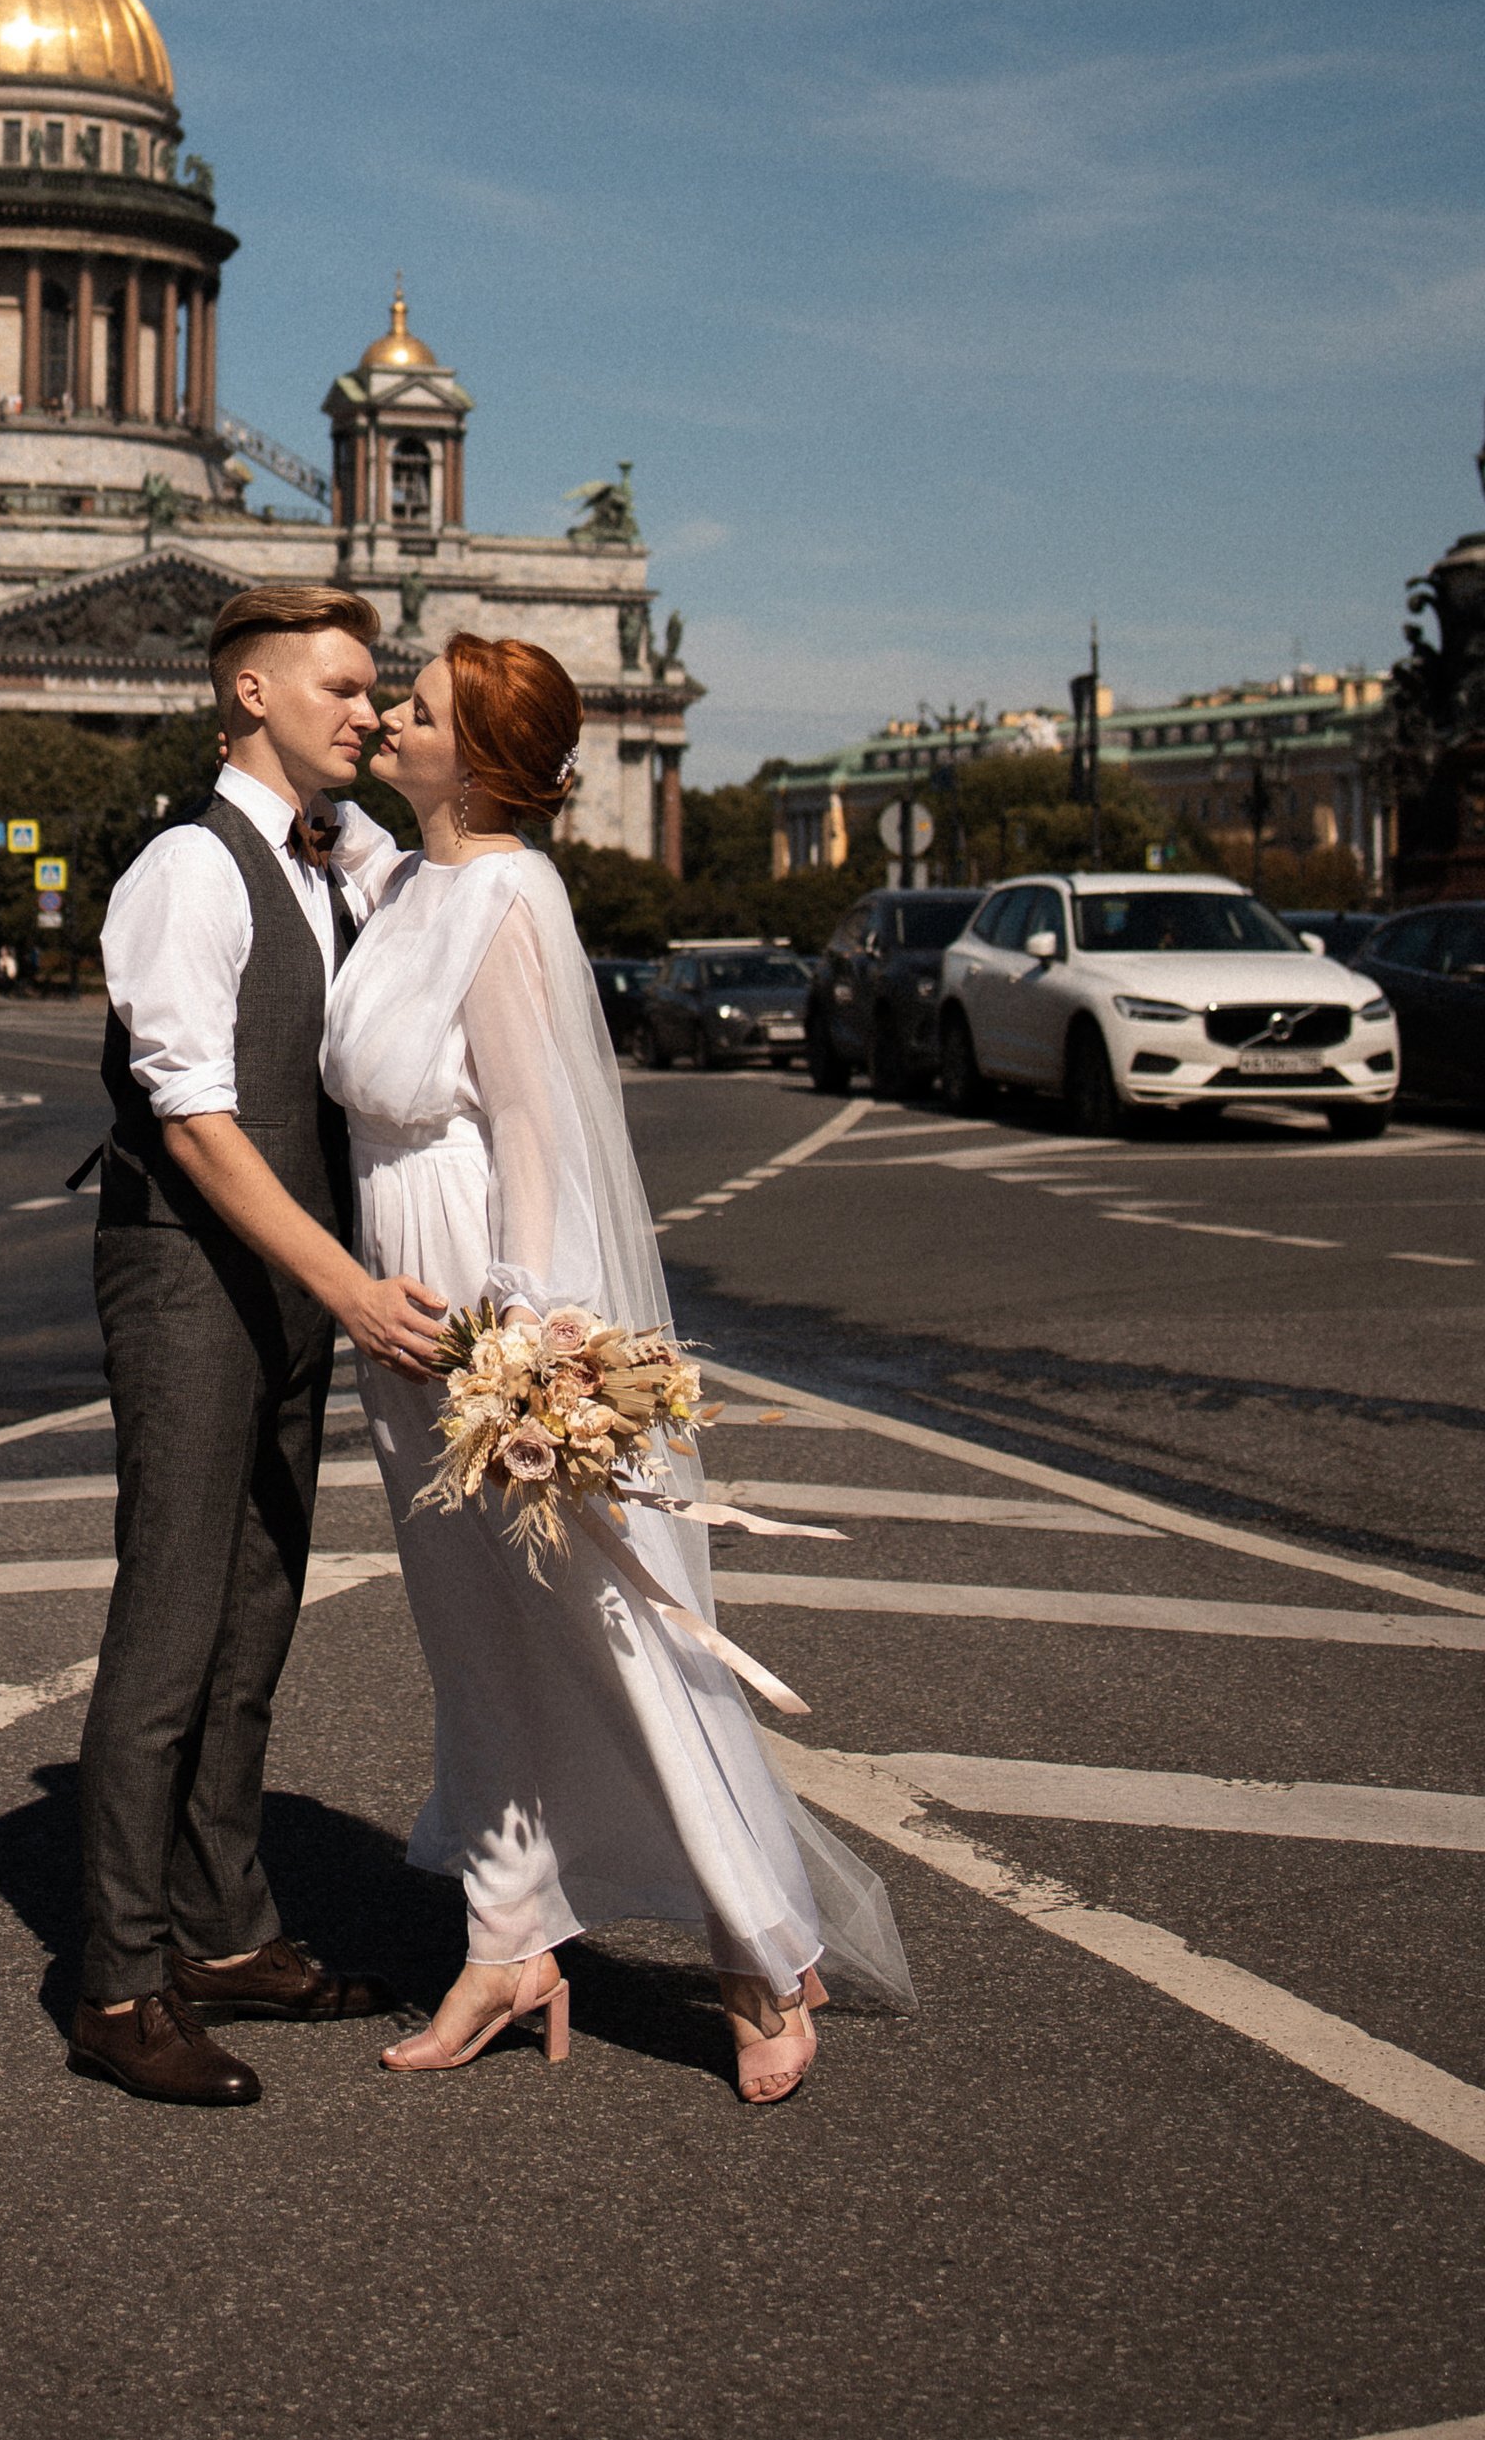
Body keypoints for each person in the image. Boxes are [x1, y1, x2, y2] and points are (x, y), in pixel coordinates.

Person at [321, 634, 912, 2101]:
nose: (389, 719)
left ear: (479, 761)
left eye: (417, 711)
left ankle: (757, 1944)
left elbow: (538, 1132)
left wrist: (525, 1341)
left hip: (479, 1298)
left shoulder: (508, 895)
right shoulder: (406, 882)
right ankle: (508, 1943)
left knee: (614, 1626)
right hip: (396, 1299)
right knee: (470, 1634)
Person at [68, 581, 450, 2111]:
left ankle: (224, 1930)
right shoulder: (187, 867)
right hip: (190, 1274)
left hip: (285, 1280)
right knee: (171, 1625)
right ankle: (117, 1976)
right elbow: (190, 1116)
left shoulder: (323, 857)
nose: (369, 708)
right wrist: (354, 1289)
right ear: (249, 695)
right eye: (342, 686)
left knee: (255, 1617)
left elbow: (432, 876)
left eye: (376, 687)